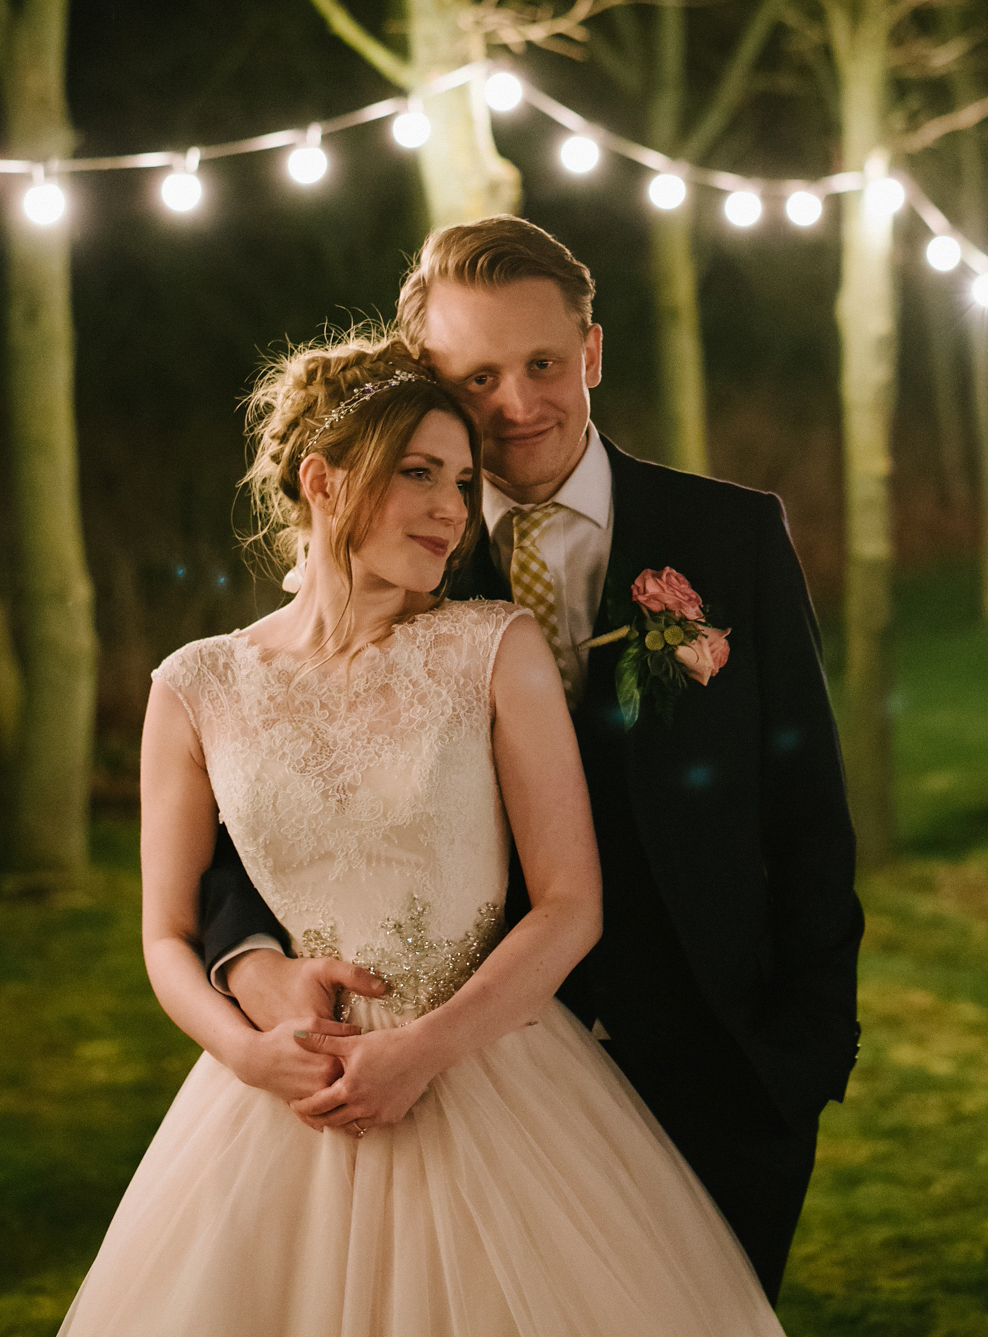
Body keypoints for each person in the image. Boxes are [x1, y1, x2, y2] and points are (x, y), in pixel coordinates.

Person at [60, 341, 785, 1336]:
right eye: (419, 473)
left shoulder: (493, 646)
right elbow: (165, 934)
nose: (452, 508)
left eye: (461, 479)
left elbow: (572, 903)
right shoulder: (195, 688)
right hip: (285, 1099)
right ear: (325, 481)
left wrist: (423, 1048)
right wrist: (242, 1050)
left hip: (487, 1071)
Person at [211, 217, 864, 1304]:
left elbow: (806, 807)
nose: (517, 402)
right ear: (432, 380)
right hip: (481, 1084)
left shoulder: (732, 538)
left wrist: (802, 1055)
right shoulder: (405, 550)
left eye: (544, 363)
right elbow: (267, 783)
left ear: (593, 352)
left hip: (719, 1073)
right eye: (478, 376)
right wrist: (250, 963)